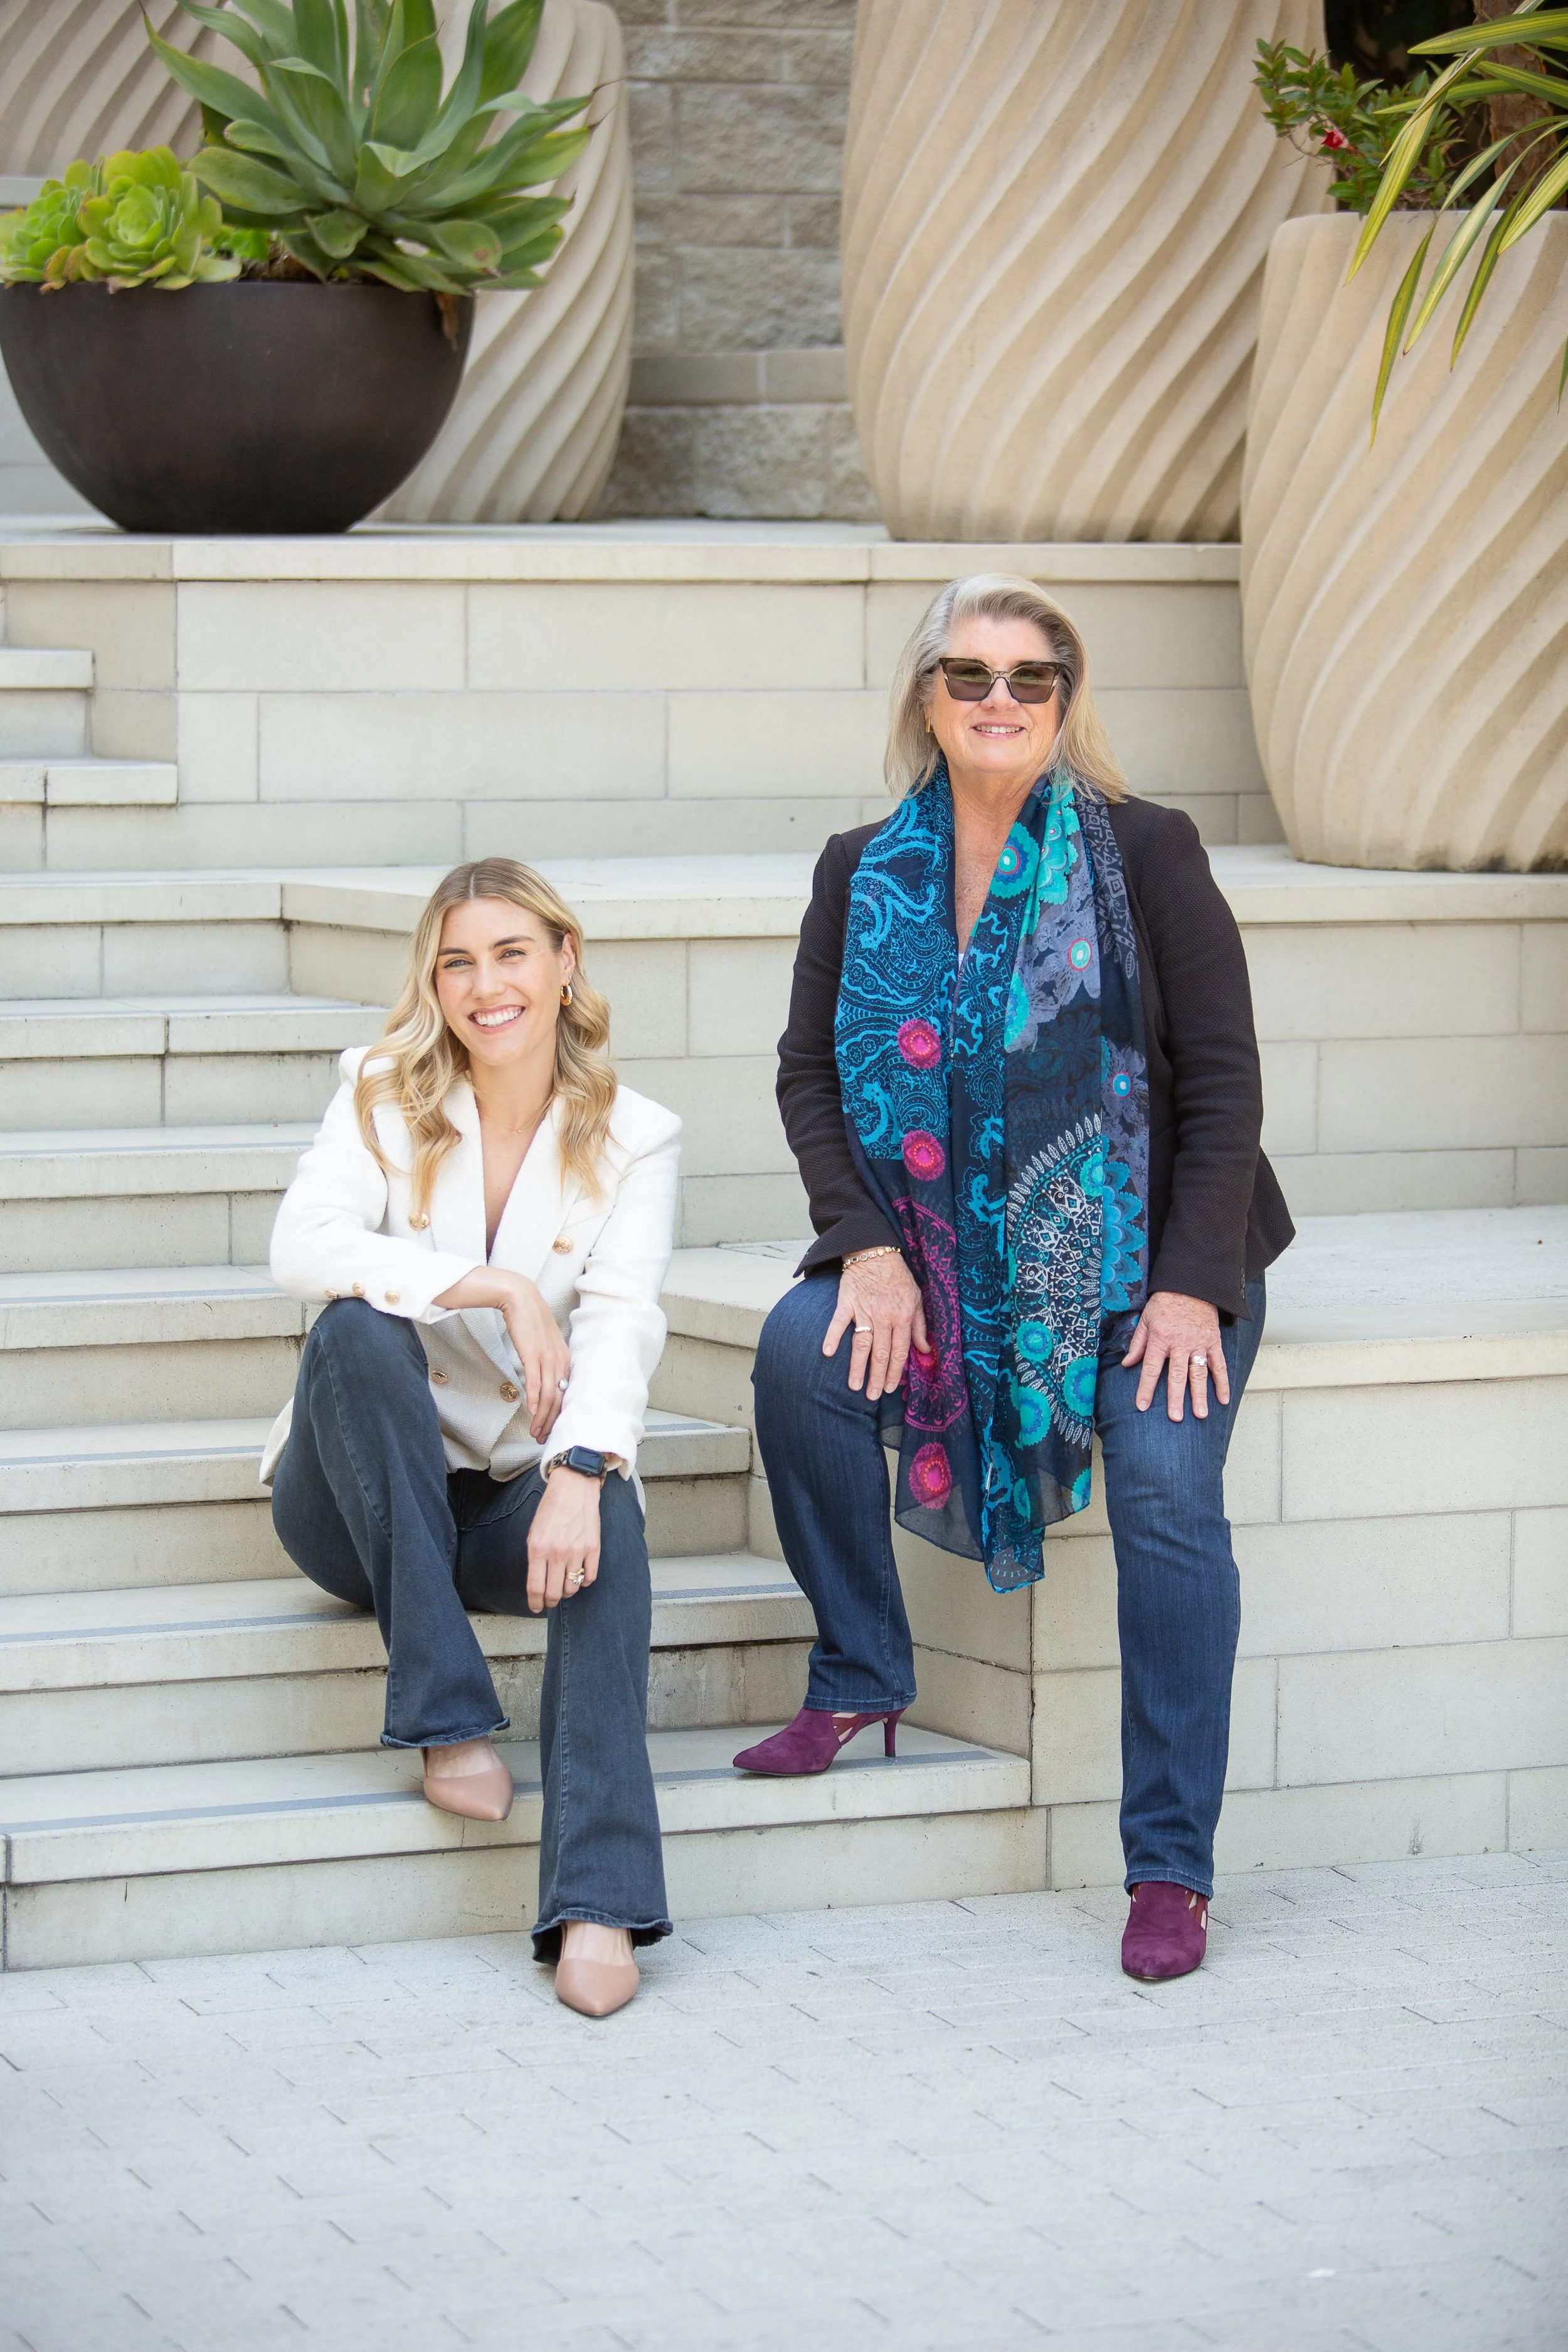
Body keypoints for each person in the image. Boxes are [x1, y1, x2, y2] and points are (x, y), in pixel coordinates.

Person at [736, 575, 1295, 1983]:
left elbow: (1221, 1086)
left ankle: (1167, 1863)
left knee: (1167, 1485)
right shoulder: (860, 867)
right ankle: (861, 1672)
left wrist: (1184, 1286)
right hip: (927, 1257)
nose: (997, 702)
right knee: (797, 1352)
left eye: (1026, 678)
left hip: (1151, 1260)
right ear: (924, 696)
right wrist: (866, 1248)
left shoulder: (1147, 852)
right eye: (967, 675)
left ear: (1063, 697)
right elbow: (807, 1073)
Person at [263, 857, 681, 2019]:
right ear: (434, 983)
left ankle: (598, 1897)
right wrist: (490, 1285)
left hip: (490, 1505)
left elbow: (626, 1322)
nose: (485, 984)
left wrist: (580, 1471)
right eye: (458, 961)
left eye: (511, 954)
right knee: (353, 1328)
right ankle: (446, 1718)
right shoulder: (382, 1089)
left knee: (610, 1511)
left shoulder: (634, 1140)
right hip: (347, 1503)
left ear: (564, 963)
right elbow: (300, 1245)